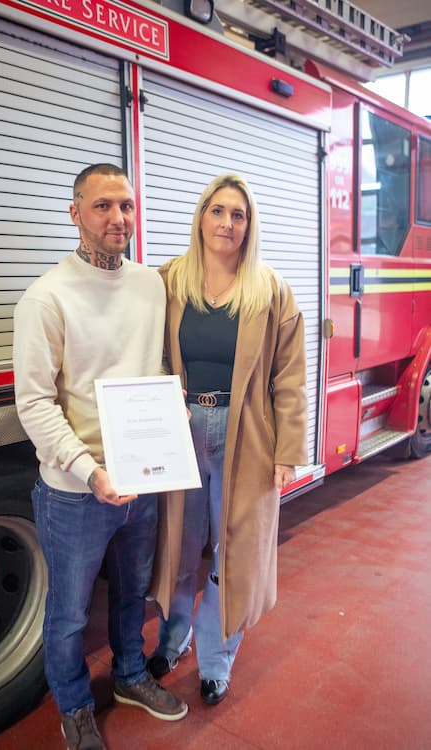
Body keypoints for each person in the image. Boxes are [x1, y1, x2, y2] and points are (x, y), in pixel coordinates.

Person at [13, 163, 187, 750]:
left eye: (127, 206)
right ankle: (74, 703)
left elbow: (153, 369)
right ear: (75, 215)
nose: (119, 218)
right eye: (103, 206)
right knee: (68, 613)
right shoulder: (45, 298)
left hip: (140, 479)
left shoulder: (150, 285)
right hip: (74, 489)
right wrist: (91, 472)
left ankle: (132, 677)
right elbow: (34, 404)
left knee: (133, 593)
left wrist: (171, 406)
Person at [148, 173, 308, 706]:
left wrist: (288, 452)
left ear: (249, 225)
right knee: (178, 546)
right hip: (183, 430)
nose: (227, 223)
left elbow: (289, 379)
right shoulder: (170, 280)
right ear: (201, 217)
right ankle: (174, 640)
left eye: (238, 215)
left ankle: (216, 661)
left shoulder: (271, 290)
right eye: (217, 211)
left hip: (248, 437)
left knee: (231, 551)